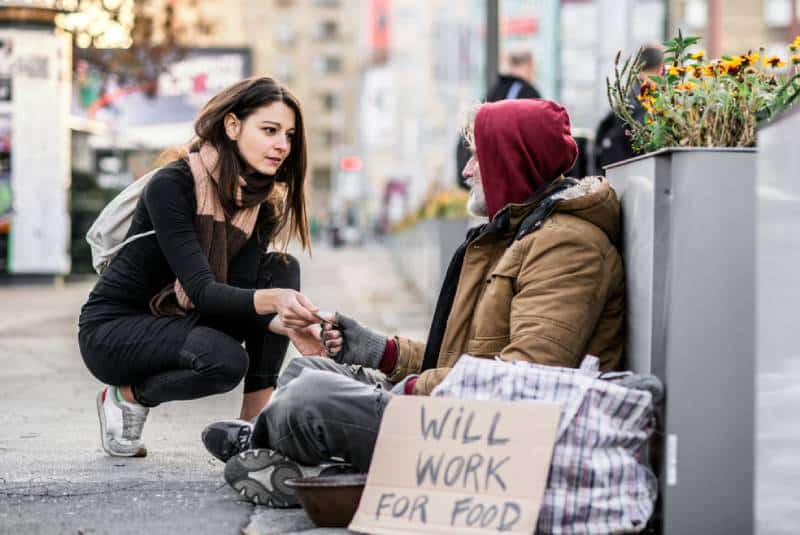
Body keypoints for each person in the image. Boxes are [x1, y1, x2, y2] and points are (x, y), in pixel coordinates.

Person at [203, 98, 625, 507]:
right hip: (464, 413)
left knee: (308, 396)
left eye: (477, 156)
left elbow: (524, 379)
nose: (466, 170)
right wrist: (379, 351)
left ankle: (274, 449)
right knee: (307, 369)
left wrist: (406, 391)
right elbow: (461, 359)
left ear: (512, 159)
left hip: (495, 438)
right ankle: (306, 465)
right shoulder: (516, 235)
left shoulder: (568, 246)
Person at [78, 77, 328, 458]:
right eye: (270, 130)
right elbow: (203, 291)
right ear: (232, 126)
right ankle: (125, 397)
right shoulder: (172, 185)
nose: (282, 145)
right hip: (114, 330)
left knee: (281, 267)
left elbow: (239, 295)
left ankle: (253, 427)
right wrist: (277, 303)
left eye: (290, 136)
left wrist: (294, 324)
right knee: (225, 360)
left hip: (185, 320)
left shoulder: (259, 205)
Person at [456, 50, 541, 189]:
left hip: (481, 179)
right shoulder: (526, 92)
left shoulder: (495, 90)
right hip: (502, 181)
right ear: (530, 66)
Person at [594, 44, 663, 173]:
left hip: (616, 169)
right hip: (634, 171)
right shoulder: (645, 97)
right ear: (659, 69)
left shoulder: (629, 94)